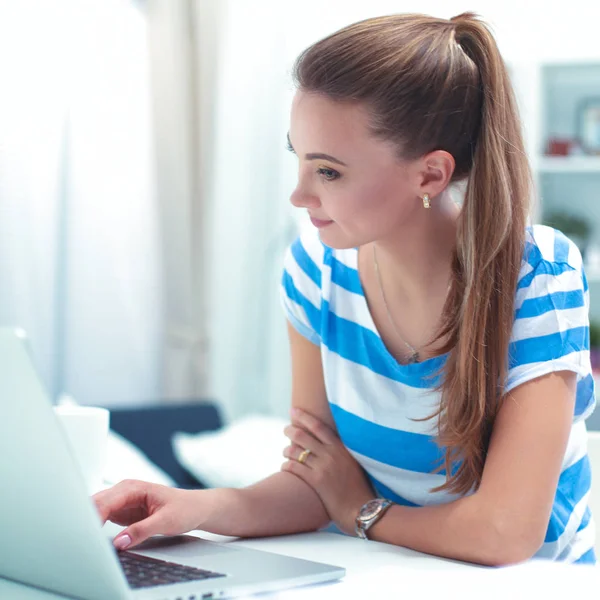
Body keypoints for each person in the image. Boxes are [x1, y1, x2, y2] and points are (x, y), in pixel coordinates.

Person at [93, 12, 596, 566]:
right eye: (300, 160)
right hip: (394, 572)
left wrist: (361, 510)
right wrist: (192, 508)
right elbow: (315, 485)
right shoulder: (315, 273)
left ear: (429, 175)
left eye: (328, 172)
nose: (299, 196)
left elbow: (502, 534)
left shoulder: (538, 274)